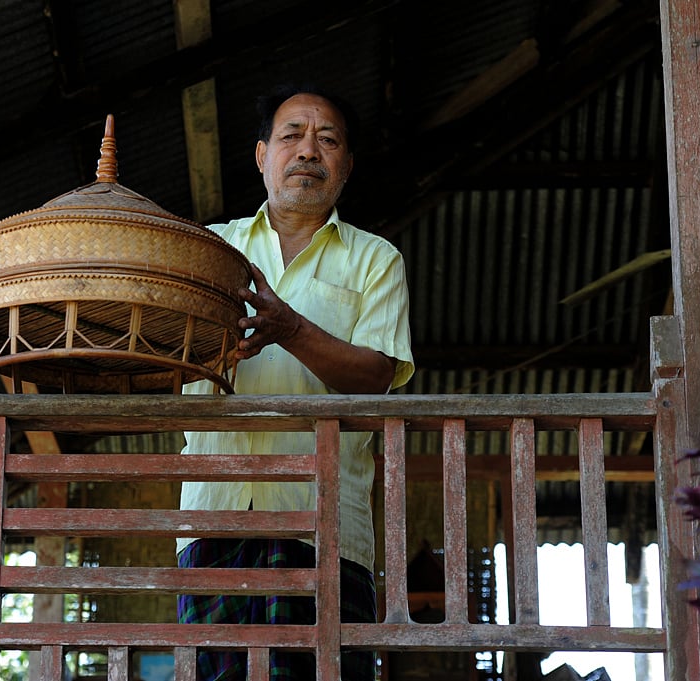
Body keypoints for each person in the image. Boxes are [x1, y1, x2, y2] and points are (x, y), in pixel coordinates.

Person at [176, 83, 414, 681]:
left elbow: (377, 377)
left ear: (347, 165)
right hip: (214, 520)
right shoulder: (208, 249)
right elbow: (152, 346)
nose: (308, 150)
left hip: (325, 524)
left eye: (327, 139)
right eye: (292, 136)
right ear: (262, 156)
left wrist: (290, 328)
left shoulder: (376, 259)